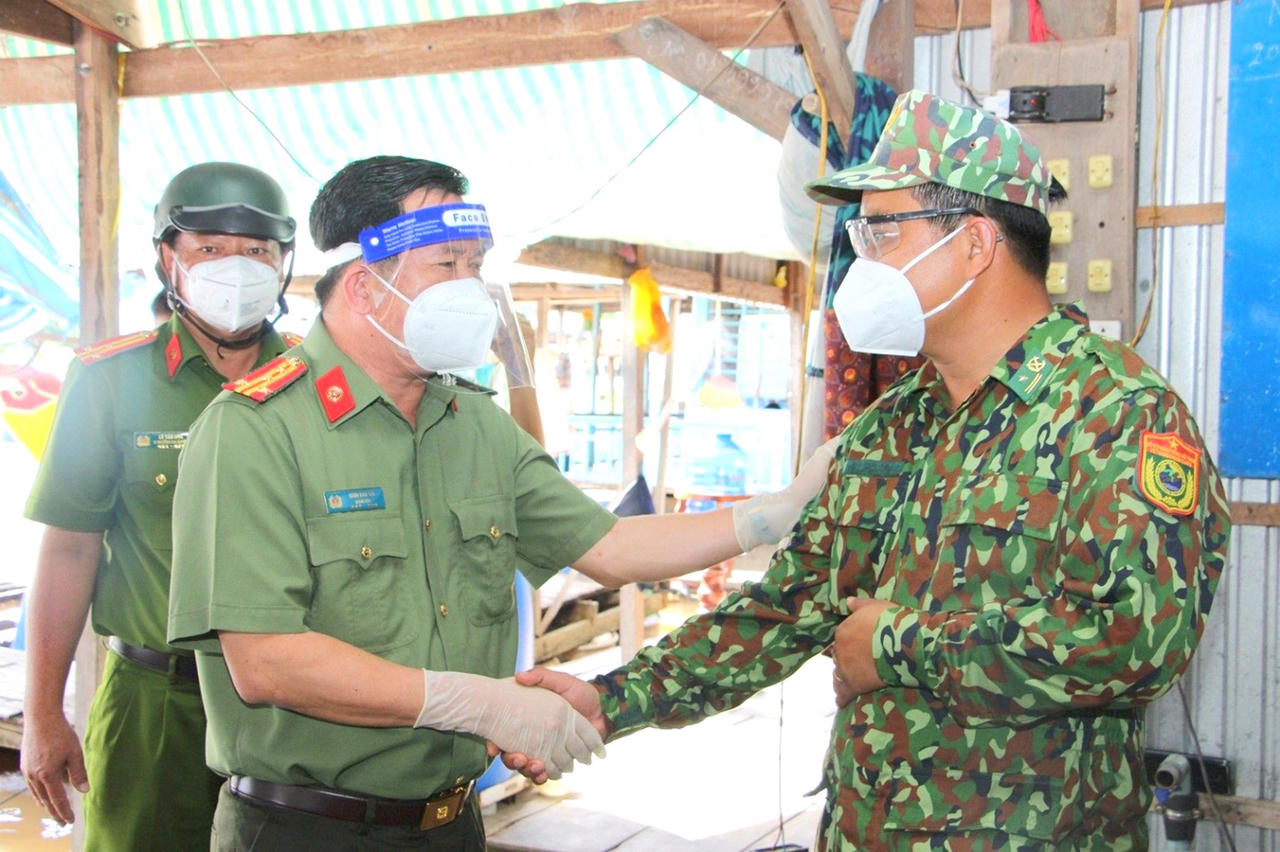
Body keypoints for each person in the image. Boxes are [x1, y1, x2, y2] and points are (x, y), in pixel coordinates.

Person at [507, 90, 1231, 849]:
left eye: (882, 231)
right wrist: (606, 700)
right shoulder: (893, 424)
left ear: (976, 244)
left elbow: (1135, 643)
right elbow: (787, 609)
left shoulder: (1117, 414)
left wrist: (899, 646)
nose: (861, 259)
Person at [165, 154, 832, 851]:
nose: (471, 289)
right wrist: (474, 701)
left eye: (476, 266)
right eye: (447, 265)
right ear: (364, 285)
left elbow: (609, 548)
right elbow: (265, 662)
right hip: (308, 829)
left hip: (452, 825)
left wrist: (767, 514)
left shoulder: (475, 423)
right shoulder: (256, 429)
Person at [21, 161, 301, 850]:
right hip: (152, 703)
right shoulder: (108, 380)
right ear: (167, 259)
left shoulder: (316, 381)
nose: (235, 268)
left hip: (294, 708)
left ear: (285, 265)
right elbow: (69, 548)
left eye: (257, 251)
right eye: (209, 248)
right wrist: (42, 714)